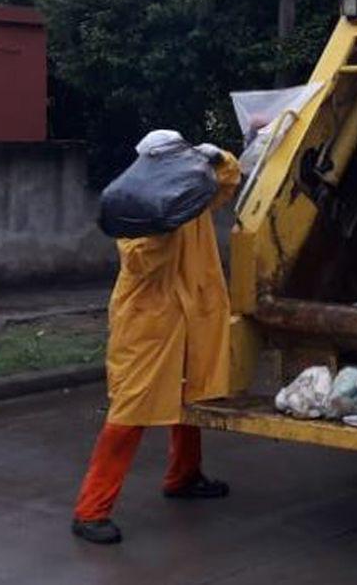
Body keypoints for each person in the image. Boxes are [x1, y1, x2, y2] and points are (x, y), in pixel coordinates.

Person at [71, 130, 242, 545]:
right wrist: (165, 223)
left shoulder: (191, 192)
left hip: (187, 317)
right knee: (129, 413)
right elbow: (142, 262)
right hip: (148, 327)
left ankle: (184, 476)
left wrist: (217, 156)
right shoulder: (135, 206)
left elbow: (229, 181)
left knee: (188, 395)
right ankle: (90, 511)